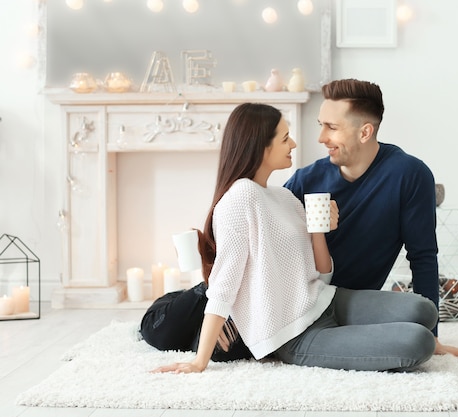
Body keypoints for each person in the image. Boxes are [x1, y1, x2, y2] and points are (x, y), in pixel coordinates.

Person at [152, 102, 439, 373]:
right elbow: (223, 286)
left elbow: (322, 274)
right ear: (260, 147)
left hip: (326, 300)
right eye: (285, 138)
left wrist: (318, 229)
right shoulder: (239, 199)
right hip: (295, 333)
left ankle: (354, 336)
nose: (294, 144)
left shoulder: (284, 197)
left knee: (423, 310)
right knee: (418, 341)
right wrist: (200, 361)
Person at [284, 78, 458, 360]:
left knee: (422, 315)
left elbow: (423, 256)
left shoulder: (409, 175)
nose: (321, 137)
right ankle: (320, 341)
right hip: (301, 303)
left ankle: (347, 336)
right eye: (321, 125)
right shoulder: (306, 180)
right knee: (414, 343)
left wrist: (435, 337)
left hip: (354, 303)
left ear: (365, 132)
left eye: (331, 127)